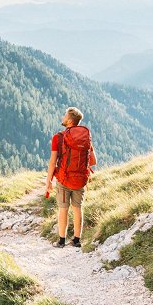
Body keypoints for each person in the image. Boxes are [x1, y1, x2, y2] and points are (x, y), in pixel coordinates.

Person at [45, 106, 95, 248]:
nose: (63, 117)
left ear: (69, 121)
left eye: (65, 116)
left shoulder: (58, 137)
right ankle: (77, 240)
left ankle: (61, 241)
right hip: (80, 180)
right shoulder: (85, 137)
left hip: (64, 179)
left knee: (63, 209)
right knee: (77, 208)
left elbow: (52, 161)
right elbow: (93, 161)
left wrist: (48, 181)